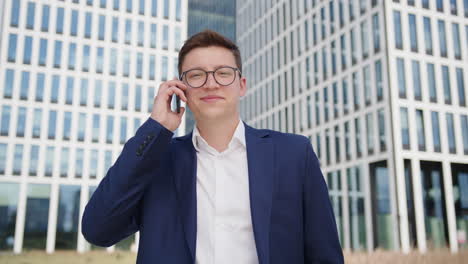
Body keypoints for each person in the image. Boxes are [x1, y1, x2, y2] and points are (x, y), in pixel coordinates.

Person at [82, 30, 344, 264]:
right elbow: (98, 230)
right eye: (196, 75)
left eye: (223, 73)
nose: (210, 83)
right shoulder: (157, 159)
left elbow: (325, 254)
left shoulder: (294, 154)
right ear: (180, 88)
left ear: (241, 85)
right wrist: (156, 127)